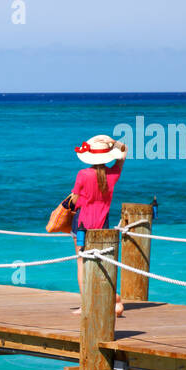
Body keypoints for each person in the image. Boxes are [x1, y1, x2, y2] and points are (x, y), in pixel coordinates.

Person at [69, 134, 127, 316]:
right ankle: (111, 296)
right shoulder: (113, 175)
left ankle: (87, 304)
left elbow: (75, 199)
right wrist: (113, 141)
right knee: (101, 261)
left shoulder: (83, 174)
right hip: (103, 223)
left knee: (82, 262)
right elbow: (124, 153)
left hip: (82, 223)